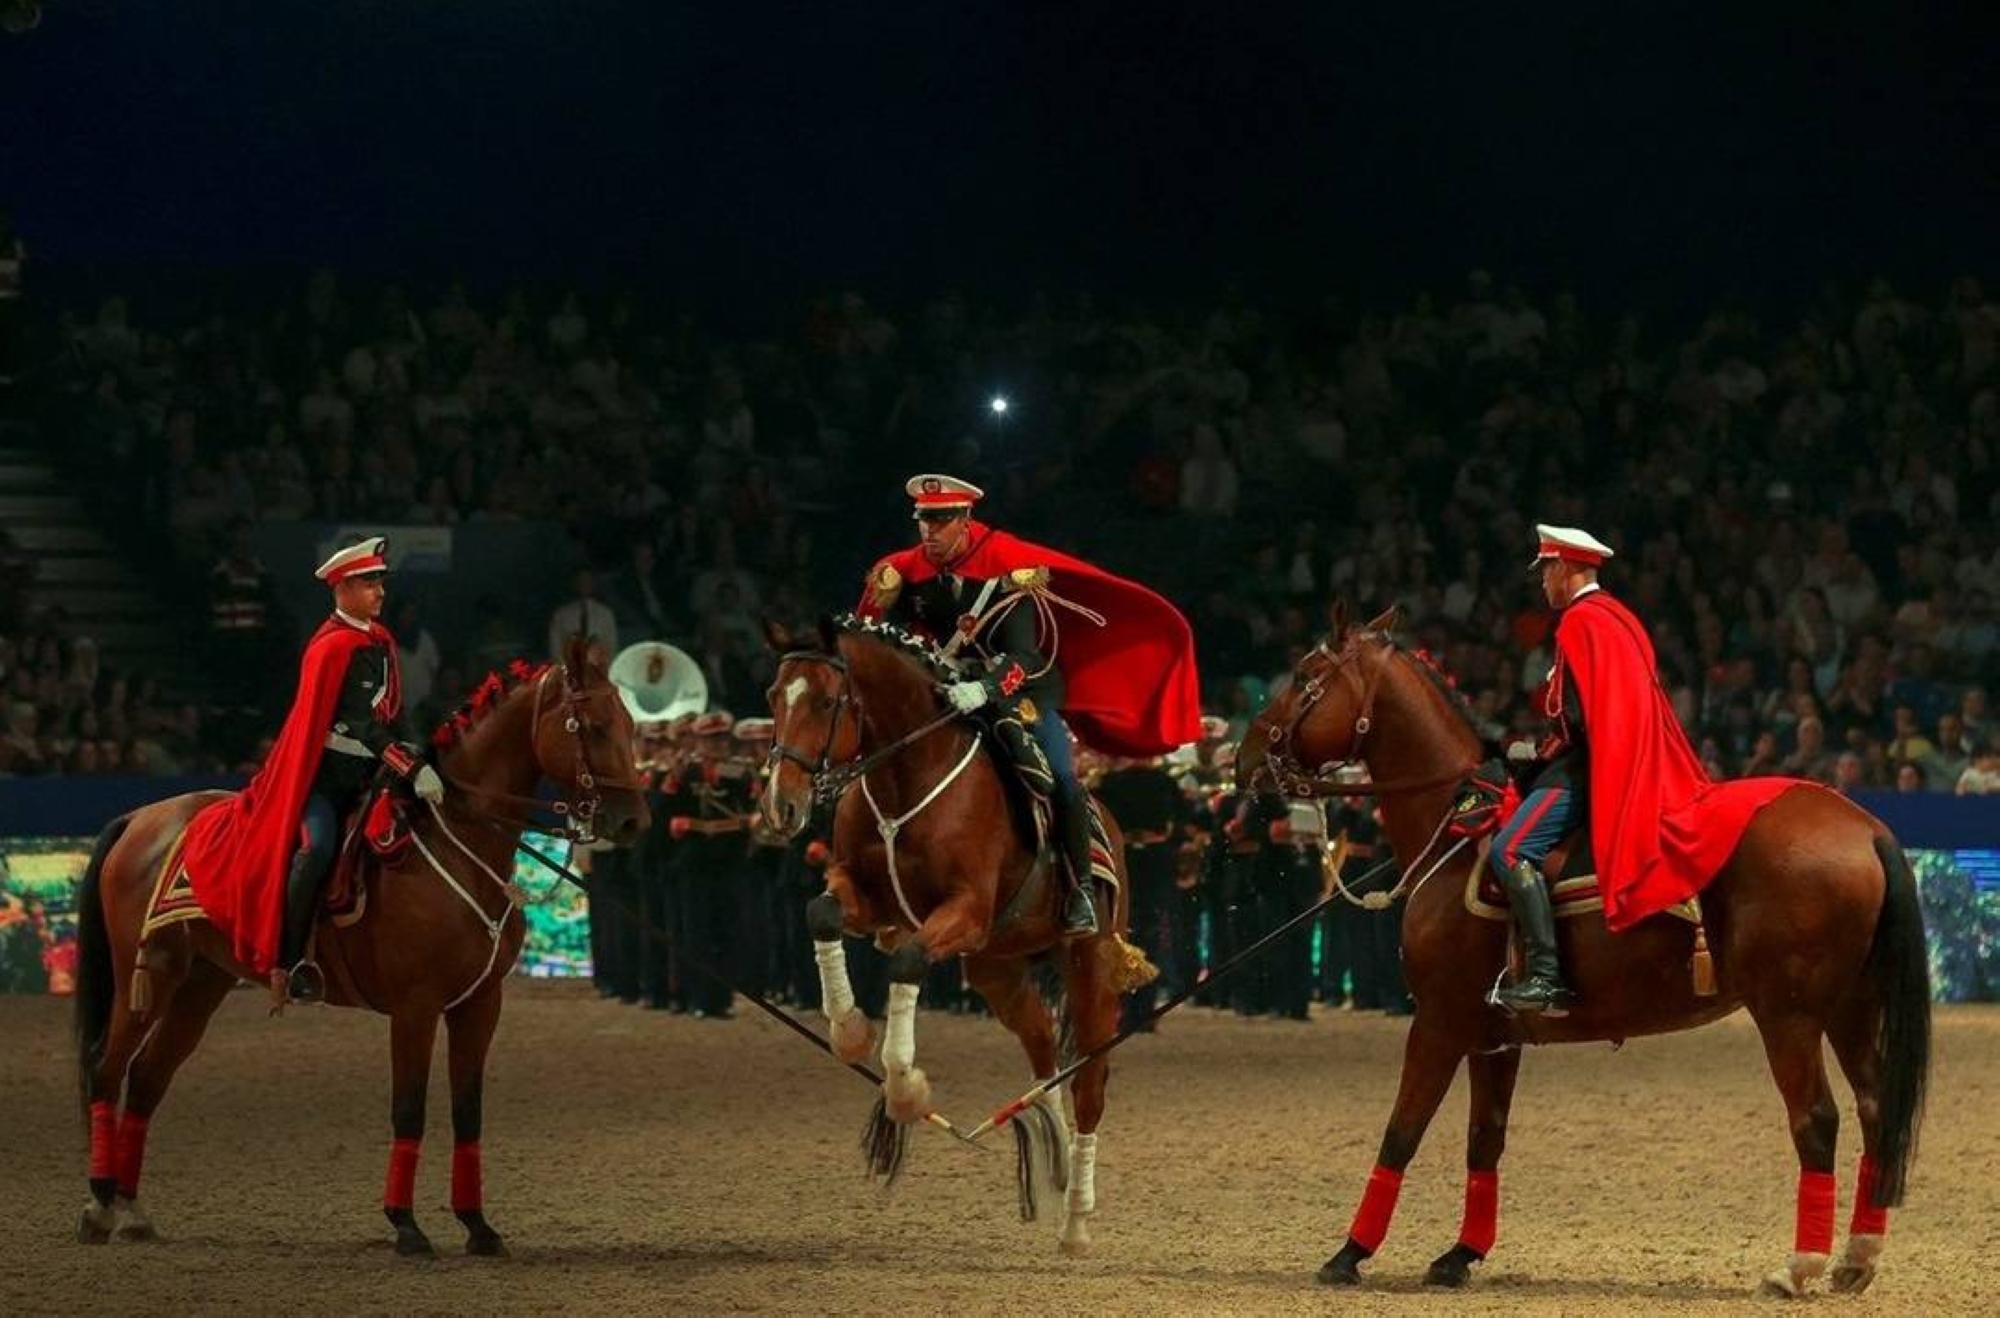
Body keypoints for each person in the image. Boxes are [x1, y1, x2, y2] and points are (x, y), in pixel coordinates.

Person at [858, 473, 1202, 936]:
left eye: (940, 523)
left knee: (1059, 776)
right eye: (924, 522)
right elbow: (891, 642)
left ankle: (1079, 888)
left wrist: (985, 689)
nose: (929, 533)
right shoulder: (908, 576)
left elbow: (1024, 654)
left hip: (1018, 695)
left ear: (964, 520)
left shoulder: (1006, 573)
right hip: (946, 697)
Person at [1493, 524, 1791, 1015]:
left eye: (1545, 569)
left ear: (1565, 567)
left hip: (1588, 770)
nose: (1543, 581)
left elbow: (1581, 719)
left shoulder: (1578, 622)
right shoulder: (1620, 617)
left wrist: (1540, 751)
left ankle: (1546, 976)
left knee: (1510, 849)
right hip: (1624, 759)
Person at [179, 536, 443, 1004]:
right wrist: (407, 764)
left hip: (368, 775)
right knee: (317, 849)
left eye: (380, 582)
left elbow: (391, 712)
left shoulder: (378, 640)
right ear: (342, 589)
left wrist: (420, 751)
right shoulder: (331, 648)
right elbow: (359, 723)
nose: (380, 592)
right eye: (368, 583)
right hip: (323, 781)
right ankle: (290, 959)